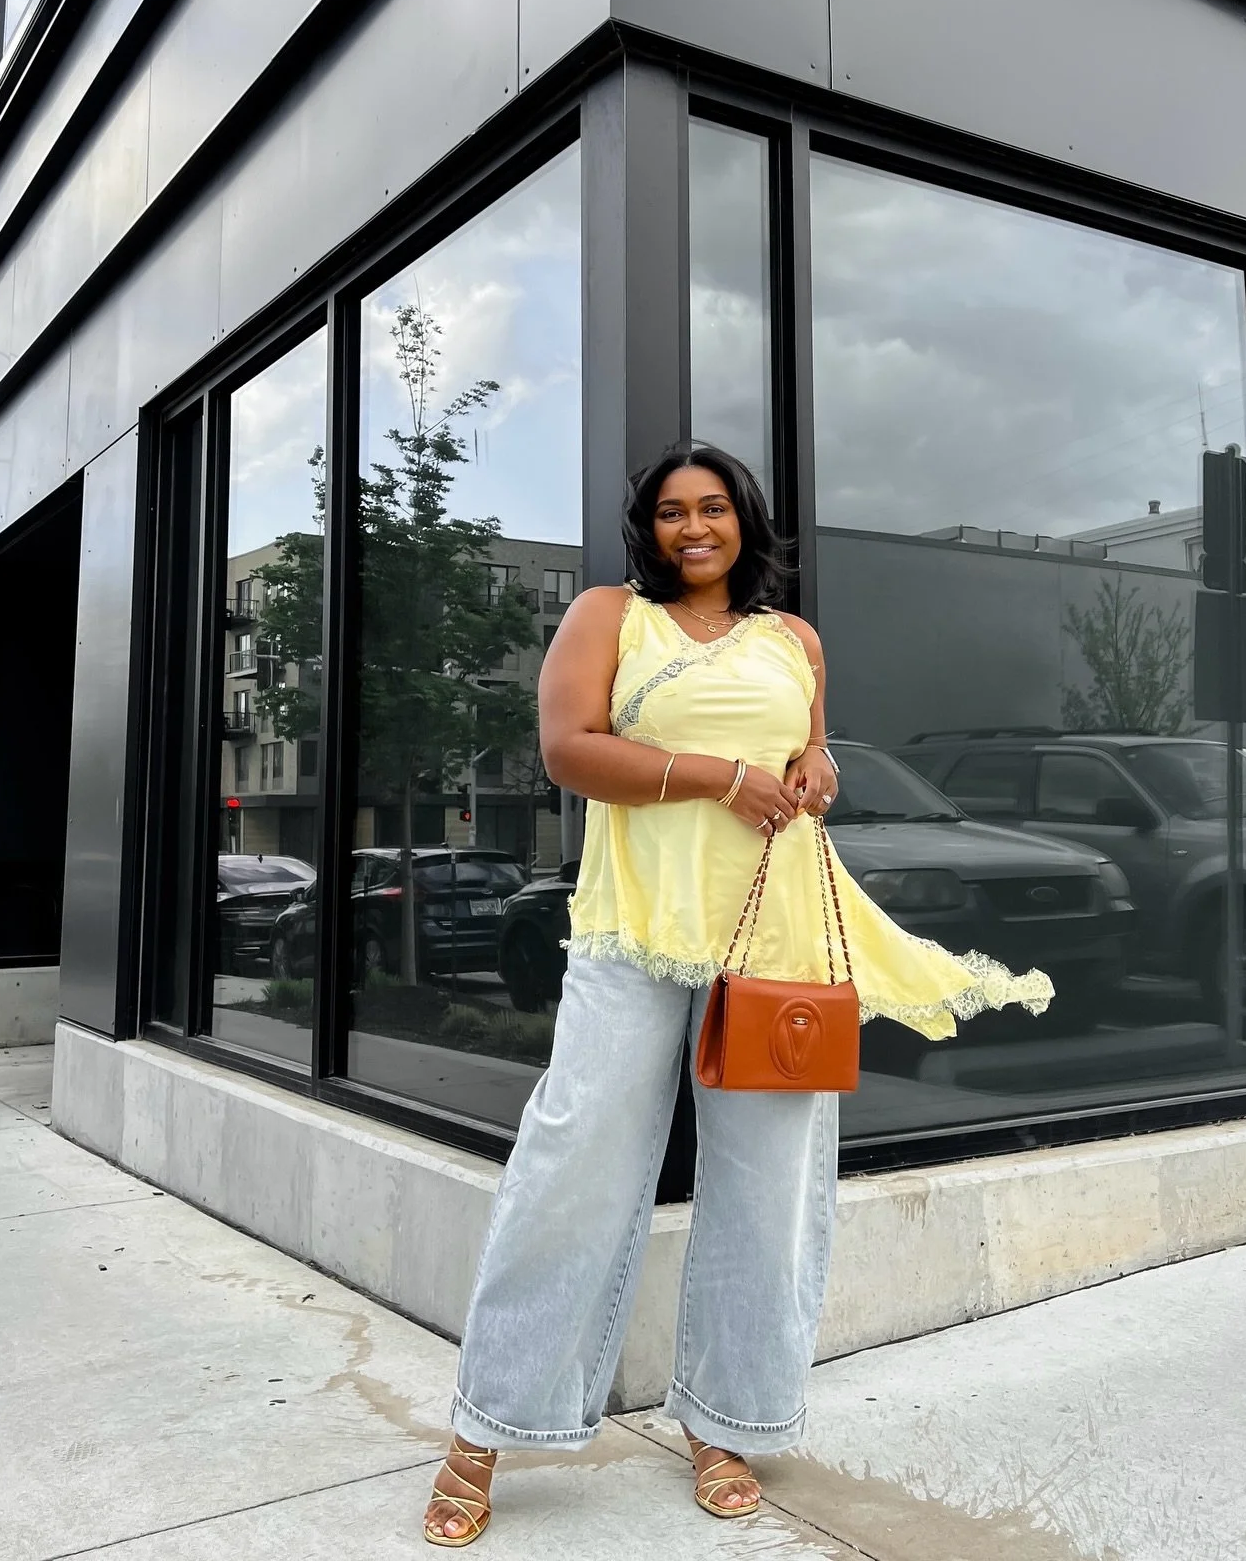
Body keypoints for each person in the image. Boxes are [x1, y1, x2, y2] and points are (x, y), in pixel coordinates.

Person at [423, 445, 1052, 1546]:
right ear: (649, 529)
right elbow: (569, 751)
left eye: (712, 508)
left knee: (772, 1191)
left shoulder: (792, 640)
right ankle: (488, 1423)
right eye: (671, 512)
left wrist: (818, 771)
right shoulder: (610, 617)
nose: (692, 527)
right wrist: (720, 777)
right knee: (570, 1170)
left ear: (743, 522)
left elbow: (807, 755)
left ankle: (725, 1423)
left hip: (778, 938)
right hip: (636, 932)